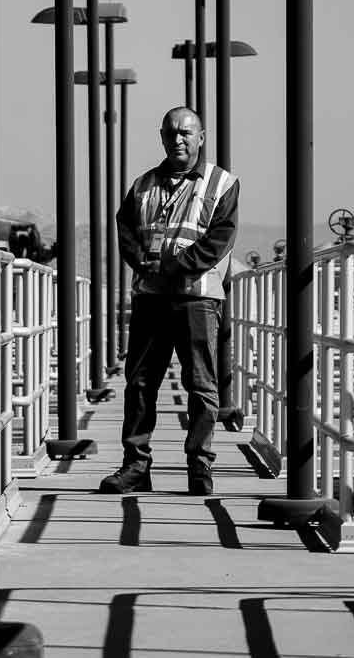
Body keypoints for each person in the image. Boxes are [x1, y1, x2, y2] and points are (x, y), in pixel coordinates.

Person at [99, 106, 239, 496]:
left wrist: (174, 267)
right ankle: (135, 466)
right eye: (171, 133)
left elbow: (220, 237)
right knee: (140, 383)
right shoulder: (142, 185)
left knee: (201, 384)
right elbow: (125, 227)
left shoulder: (221, 183)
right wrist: (138, 260)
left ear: (201, 137)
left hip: (197, 298)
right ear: (162, 137)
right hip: (151, 299)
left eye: (186, 133)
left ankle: (199, 467)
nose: (178, 139)